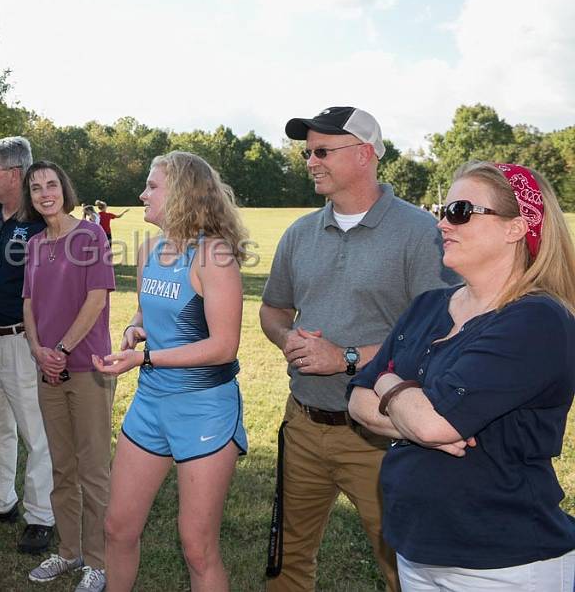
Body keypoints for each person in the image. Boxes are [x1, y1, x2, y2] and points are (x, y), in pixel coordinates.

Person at [348, 162, 575, 589]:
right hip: (417, 551)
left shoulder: (537, 320)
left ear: (515, 227)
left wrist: (390, 382)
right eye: (442, 209)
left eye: (460, 210)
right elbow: (357, 400)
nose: (441, 222)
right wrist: (412, 409)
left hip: (505, 565)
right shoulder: (428, 305)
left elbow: (436, 424)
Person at [259, 106, 456, 592]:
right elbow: (272, 309)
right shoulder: (300, 233)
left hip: (381, 433)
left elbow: (440, 334)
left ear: (365, 154)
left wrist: (345, 357)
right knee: (287, 558)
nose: (311, 161)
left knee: (403, 564)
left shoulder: (421, 233)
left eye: (322, 150)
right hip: (303, 423)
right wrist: (287, 338)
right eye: (308, 152)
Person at [93, 151, 250, 592]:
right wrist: (133, 329)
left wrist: (145, 359)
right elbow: (148, 311)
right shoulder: (148, 250)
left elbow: (223, 346)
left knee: (198, 548)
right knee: (117, 528)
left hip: (203, 410)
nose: (143, 194)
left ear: (181, 193)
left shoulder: (214, 255)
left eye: (152, 185)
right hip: (150, 405)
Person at [22, 162, 115, 592]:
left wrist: (61, 350)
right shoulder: (35, 244)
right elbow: (29, 304)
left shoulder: (90, 235)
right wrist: (39, 351)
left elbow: (96, 299)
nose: (45, 193)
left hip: (87, 368)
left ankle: (98, 561)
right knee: (61, 466)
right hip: (49, 370)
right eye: (36, 187)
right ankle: (68, 550)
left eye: (51, 185)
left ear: (65, 188)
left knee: (93, 468)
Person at [0, 136, 55, 554]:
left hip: (24, 340)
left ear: (15, 173)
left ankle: (41, 515)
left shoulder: (41, 220)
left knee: (36, 431)